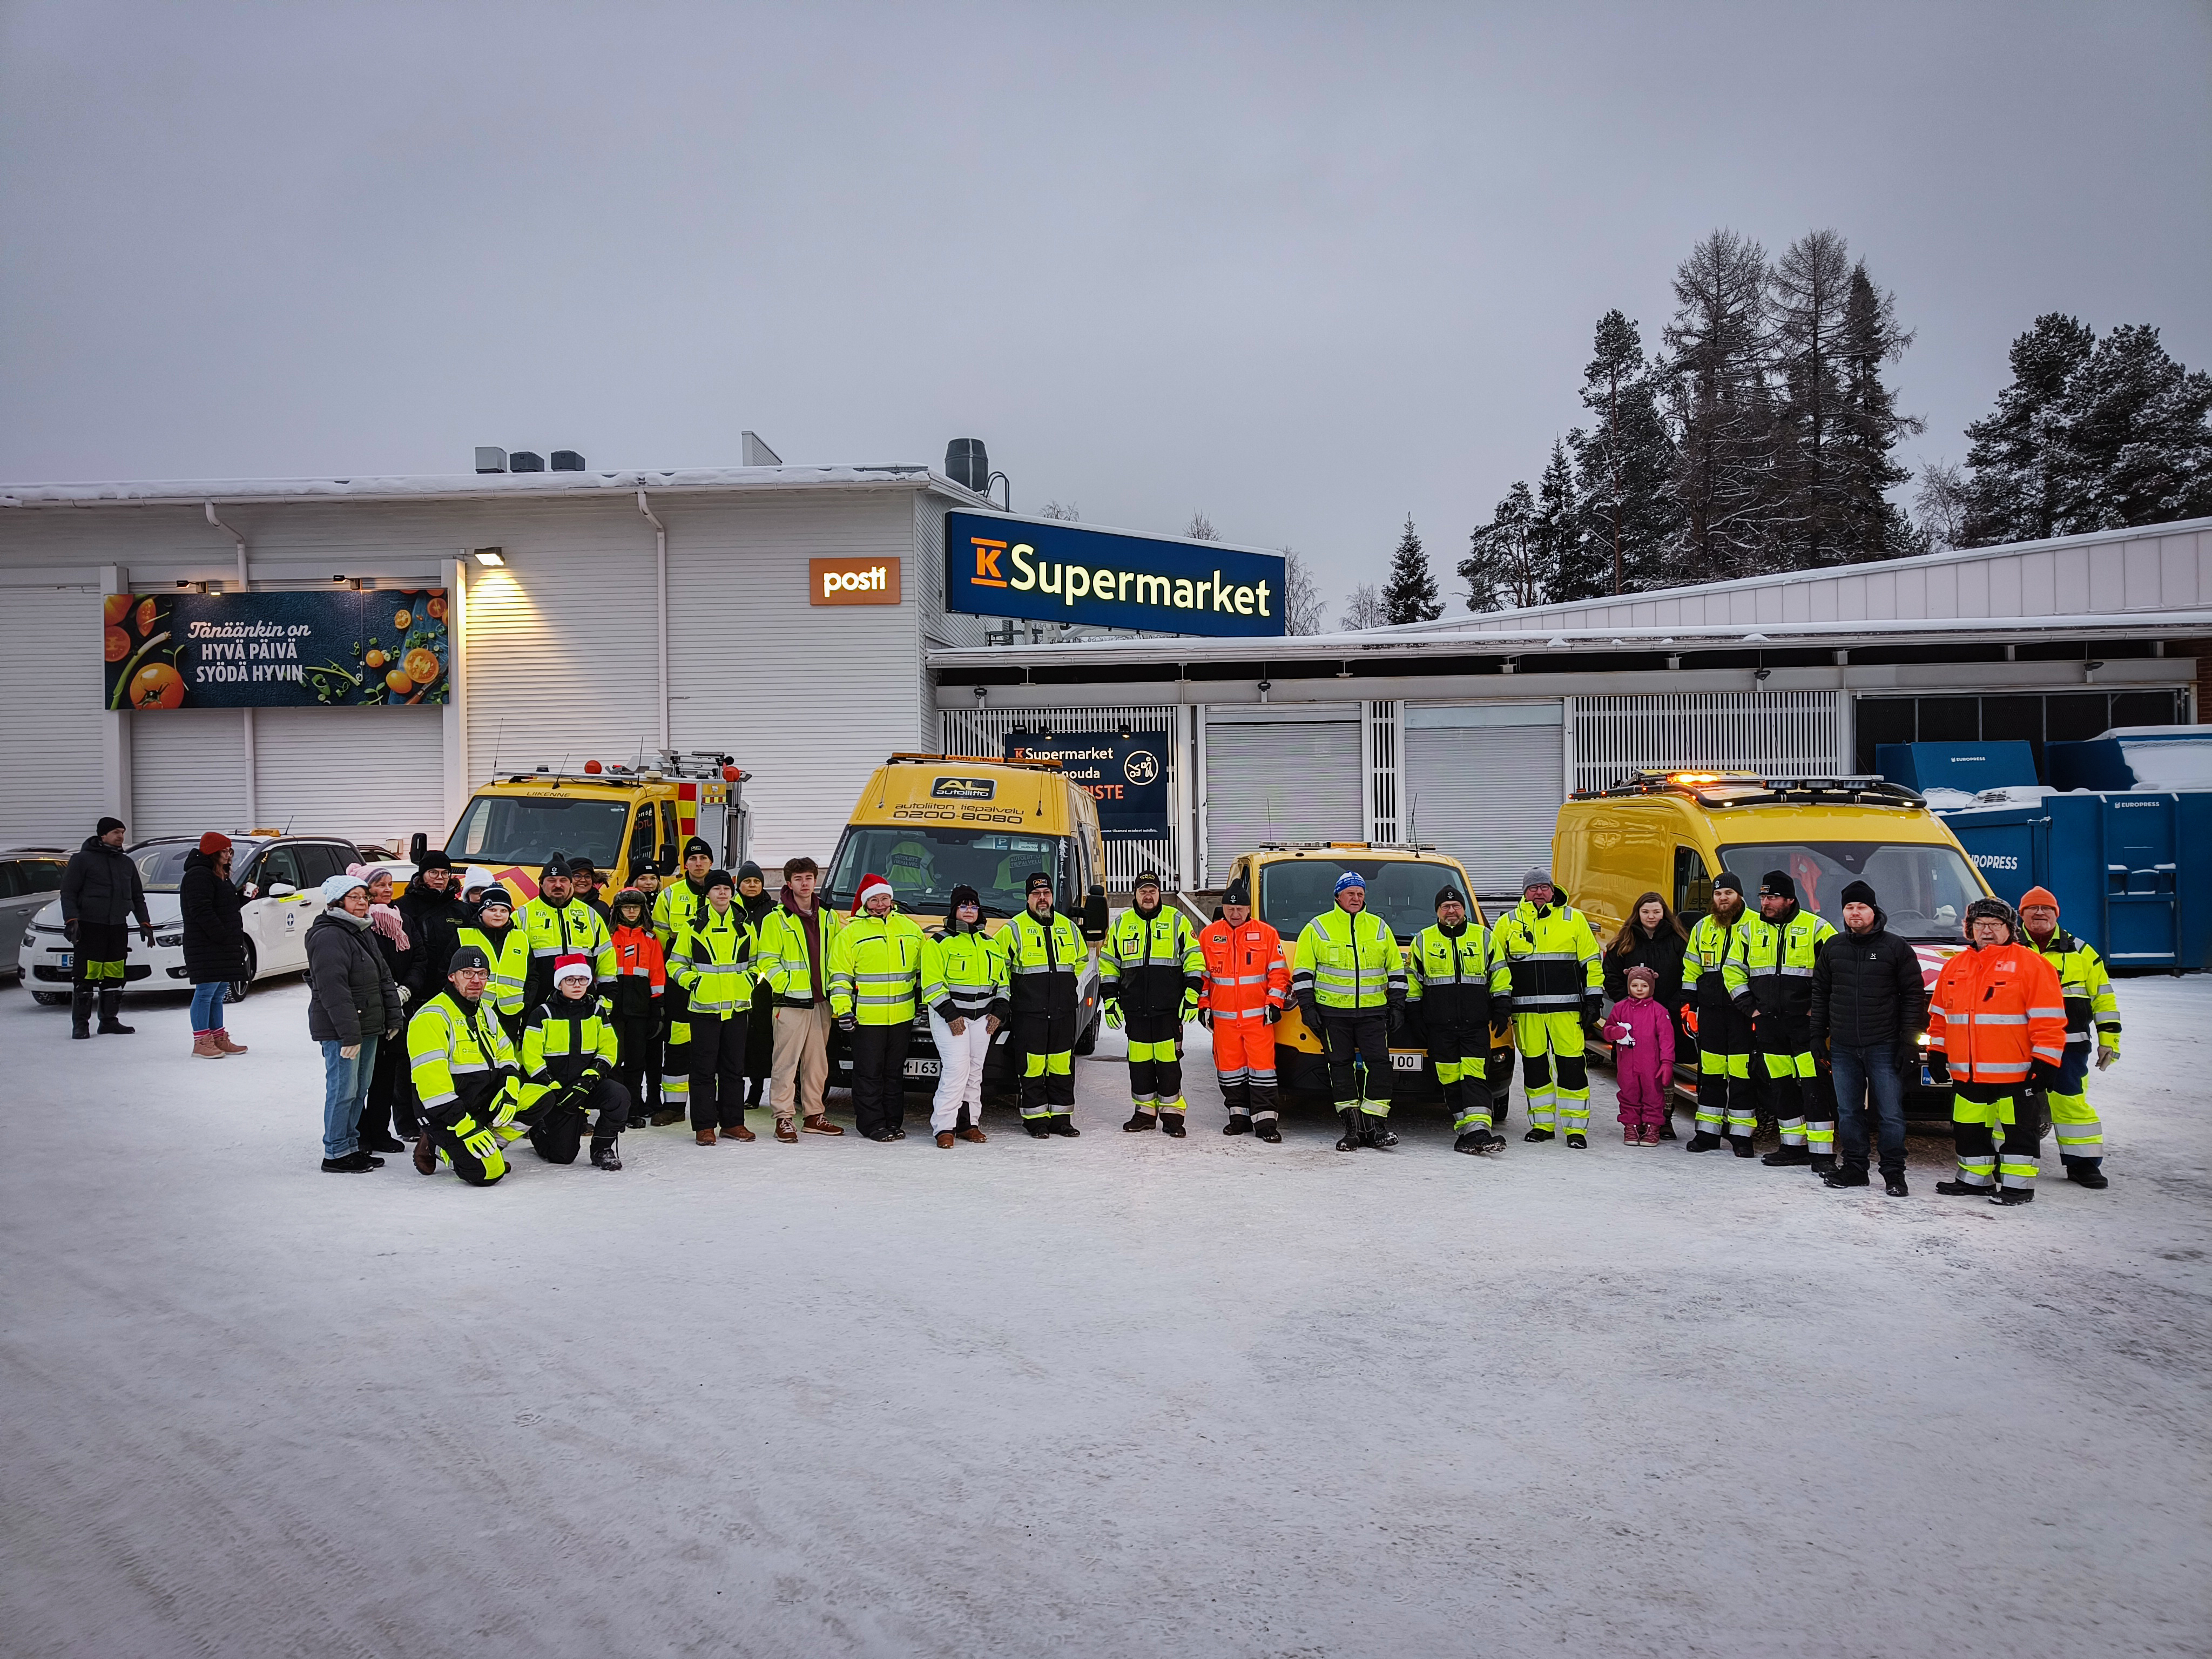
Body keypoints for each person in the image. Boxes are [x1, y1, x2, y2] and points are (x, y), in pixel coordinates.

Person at [1927, 898, 2068, 1206]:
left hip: (2016, 1072)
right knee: (1969, 1129)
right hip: (1967, 1073)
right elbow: (1940, 1017)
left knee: (2019, 1132)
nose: (1987, 931)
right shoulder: (1955, 965)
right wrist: (1938, 1052)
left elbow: (2049, 1018)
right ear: (1969, 929)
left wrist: (2046, 1060)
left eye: (1994, 925)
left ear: (2009, 929)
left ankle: (2018, 1188)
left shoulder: (2033, 964)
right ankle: (1975, 1181)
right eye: (1980, 925)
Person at [1810, 879, 1928, 1197]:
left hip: (1884, 1045)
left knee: (1891, 1113)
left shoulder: (1895, 947)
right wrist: (1818, 1036)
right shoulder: (1833, 948)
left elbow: (1913, 995)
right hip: (1844, 1047)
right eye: (1849, 907)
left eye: (1861, 907)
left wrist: (1908, 1040)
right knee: (1848, 1112)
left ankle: (1894, 1174)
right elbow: (1820, 994)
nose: (1855, 913)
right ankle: (1855, 1169)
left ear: (1874, 910)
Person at [1725, 871, 1839, 1172]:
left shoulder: (1816, 928)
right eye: (1763, 897)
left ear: (1789, 899)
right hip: (1768, 1023)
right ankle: (1793, 1147)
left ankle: (1823, 1154)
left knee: (1815, 1086)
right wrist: (1751, 1010)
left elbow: (1835, 973)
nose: (1766, 903)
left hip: (1806, 1026)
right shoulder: (1749, 930)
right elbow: (1733, 970)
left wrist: (1819, 1011)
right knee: (1781, 1087)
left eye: (1772, 897)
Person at [1292, 869, 1408, 1152]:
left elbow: (1395, 970)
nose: (1356, 898)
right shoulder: (1317, 928)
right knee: (1340, 1068)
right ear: (1338, 897)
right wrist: (1308, 1008)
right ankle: (1353, 1128)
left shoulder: (1380, 927)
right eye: (1350, 893)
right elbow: (1303, 972)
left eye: (1360, 894)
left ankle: (1375, 1126)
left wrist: (1397, 1006)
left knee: (1379, 1066)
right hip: (1333, 1015)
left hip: (1373, 1013)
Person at [1487, 868, 1602, 1149]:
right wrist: (1499, 1006)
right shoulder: (1507, 923)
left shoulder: (1573, 919)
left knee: (1572, 1068)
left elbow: (1592, 962)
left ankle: (1576, 1129)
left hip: (1567, 1012)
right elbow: (1496, 967)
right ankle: (1542, 1125)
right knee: (1535, 1069)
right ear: (1524, 892)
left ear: (1553, 890)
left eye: (1544, 887)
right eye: (1533, 888)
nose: (1539, 892)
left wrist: (1594, 1000)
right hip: (1526, 1013)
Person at [2018, 886, 2122, 1190]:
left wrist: (2110, 1041)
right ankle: (2011, 1161)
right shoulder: (2008, 947)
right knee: (2012, 1105)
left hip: (2070, 1045)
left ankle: (2083, 1166)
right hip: (2017, 1044)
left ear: (2056, 914)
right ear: (2021, 914)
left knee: (2070, 1103)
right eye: (2032, 909)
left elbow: (2104, 1000)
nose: (2039, 914)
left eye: (2046, 909)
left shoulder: (2082, 952)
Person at [306, 872, 403, 1174]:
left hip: (369, 1027)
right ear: (338, 902)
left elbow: (383, 978)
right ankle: (335, 1153)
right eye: (355, 898)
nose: (362, 903)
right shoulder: (329, 936)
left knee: (359, 1090)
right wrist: (349, 1036)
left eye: (365, 897)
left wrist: (392, 1017)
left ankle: (352, 1146)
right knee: (342, 1090)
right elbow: (333, 991)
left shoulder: (361, 931)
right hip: (343, 1031)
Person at [406, 944, 524, 1186]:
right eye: (468, 973)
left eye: (482, 975)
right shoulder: (432, 1016)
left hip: (479, 1100)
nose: (476, 980)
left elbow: (505, 1052)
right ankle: (439, 1147)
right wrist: (465, 1127)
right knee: (488, 1175)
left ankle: (490, 1147)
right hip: (445, 1113)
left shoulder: (485, 1011)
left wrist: (511, 1086)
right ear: (452, 977)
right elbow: (433, 1086)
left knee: (540, 1097)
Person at [1101, 870, 1204, 1137]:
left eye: (1153, 891)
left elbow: (1194, 959)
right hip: (1135, 1011)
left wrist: (1192, 995)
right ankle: (1144, 1113)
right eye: (1143, 891)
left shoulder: (1177, 920)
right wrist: (1110, 999)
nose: (1148, 895)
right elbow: (1109, 964)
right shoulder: (1122, 923)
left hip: (1168, 1010)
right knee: (1140, 1064)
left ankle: (1172, 1117)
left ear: (1160, 893)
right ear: (1135, 894)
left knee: (1169, 1065)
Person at [751, 857, 846, 1139]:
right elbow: (766, 961)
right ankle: (783, 1117)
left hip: (822, 1001)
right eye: (799, 879)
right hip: (790, 1002)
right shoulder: (775, 919)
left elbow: (836, 958)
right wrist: (788, 985)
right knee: (785, 1062)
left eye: (809, 879)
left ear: (815, 881)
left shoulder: (829, 917)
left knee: (818, 1063)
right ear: (789, 883)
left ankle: (814, 1115)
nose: (805, 884)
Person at [828, 872, 928, 1142]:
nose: (881, 904)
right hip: (866, 1019)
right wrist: (843, 1010)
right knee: (869, 1074)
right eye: (875, 899)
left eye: (885, 898)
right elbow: (839, 976)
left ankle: (893, 1122)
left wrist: (925, 1004)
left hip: (902, 1017)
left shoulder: (910, 929)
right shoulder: (850, 933)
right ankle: (872, 1124)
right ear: (865, 903)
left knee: (894, 1074)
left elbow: (924, 971)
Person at [1407, 883, 1504, 1155]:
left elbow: (1499, 974)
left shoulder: (1484, 936)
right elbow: (1413, 982)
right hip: (1440, 1026)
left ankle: (1481, 1131)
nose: (1452, 911)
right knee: (1449, 1078)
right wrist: (1414, 1015)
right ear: (1437, 912)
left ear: (1464, 909)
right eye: (1445, 907)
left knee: (1475, 1076)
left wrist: (1502, 1006)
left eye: (1456, 906)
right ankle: (1467, 1132)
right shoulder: (1423, 940)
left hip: (1475, 1024)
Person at [1197, 878, 1290, 1142]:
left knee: (1263, 1071)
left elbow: (1279, 973)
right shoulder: (1209, 935)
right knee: (1230, 1071)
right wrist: (1204, 1007)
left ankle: (1266, 1123)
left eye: (1240, 909)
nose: (1235, 914)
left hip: (1257, 1020)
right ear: (1223, 909)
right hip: (1224, 1022)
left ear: (1249, 909)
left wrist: (1275, 1003)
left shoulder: (1267, 934)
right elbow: (1203, 977)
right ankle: (1238, 1118)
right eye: (1230, 909)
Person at [518, 953, 630, 1169]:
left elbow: (609, 1047)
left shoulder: (597, 1012)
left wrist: (590, 1079)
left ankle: (602, 1149)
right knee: (562, 1156)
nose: (577, 985)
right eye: (570, 980)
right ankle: (538, 1129)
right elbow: (530, 1056)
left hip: (587, 1085)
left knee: (619, 1095)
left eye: (582, 980)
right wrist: (552, 1086)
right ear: (559, 983)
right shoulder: (543, 1013)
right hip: (556, 1091)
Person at [670, 868, 757, 1145]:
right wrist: (693, 982)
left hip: (737, 1008)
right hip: (704, 1009)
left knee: (734, 1069)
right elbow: (676, 963)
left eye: (726, 888)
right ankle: (705, 1126)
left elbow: (758, 962)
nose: (722, 893)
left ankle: (733, 1123)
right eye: (716, 889)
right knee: (703, 1070)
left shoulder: (745, 924)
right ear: (707, 893)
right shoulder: (693, 925)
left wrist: (750, 981)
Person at [919, 885, 1007, 1147]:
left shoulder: (990, 943)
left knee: (975, 1072)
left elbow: (1003, 982)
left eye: (973, 906)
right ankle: (944, 1127)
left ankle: (969, 1124)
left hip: (983, 1019)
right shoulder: (939, 942)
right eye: (964, 906)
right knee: (956, 1069)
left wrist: (999, 1011)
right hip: (951, 1018)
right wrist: (951, 1015)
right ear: (954, 910)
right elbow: (932, 984)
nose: (969, 911)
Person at [1004, 871, 1088, 1138]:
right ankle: (1036, 1120)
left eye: (1047, 894)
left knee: (1062, 1067)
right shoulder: (1013, 929)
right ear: (1028, 898)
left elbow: (1082, 960)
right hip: (1029, 1013)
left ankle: (1062, 1119)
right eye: (1037, 894)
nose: (1043, 899)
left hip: (1062, 1011)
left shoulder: (1068, 926)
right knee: (1032, 1068)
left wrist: (1065, 990)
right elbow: (999, 970)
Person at [1681, 871, 1756, 1156]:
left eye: (1728, 893)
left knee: (1742, 1076)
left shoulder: (1757, 925)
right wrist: (1688, 1006)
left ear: (1739, 896)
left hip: (1743, 1013)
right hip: (1710, 1012)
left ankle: (1741, 1137)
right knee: (1710, 1075)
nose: (1723, 899)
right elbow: (1691, 968)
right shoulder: (1703, 927)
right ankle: (1707, 1134)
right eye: (1718, 894)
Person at [1601, 892, 1688, 1139]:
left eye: (1657, 912)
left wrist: (1674, 1005)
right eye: (1646, 912)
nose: (1651, 917)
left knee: (1662, 1072)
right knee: (1633, 1076)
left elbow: (1689, 975)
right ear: (1638, 913)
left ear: (1665, 913)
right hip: (1632, 1019)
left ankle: (1663, 1120)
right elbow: (1611, 975)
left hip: (1667, 1016)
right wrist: (1624, 1004)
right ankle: (1636, 1120)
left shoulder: (1678, 940)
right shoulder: (1625, 941)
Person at [58, 815, 153, 1038]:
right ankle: (81, 1024)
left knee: (115, 974)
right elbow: (69, 892)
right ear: (103, 835)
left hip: (117, 926)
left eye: (123, 832)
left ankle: (109, 1021)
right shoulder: (82, 860)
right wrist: (71, 920)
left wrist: (145, 922)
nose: (121, 837)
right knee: (86, 976)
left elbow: (138, 896)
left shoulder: (126, 863)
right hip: (91, 927)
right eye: (116, 833)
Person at [651, 837, 719, 1125]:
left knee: (713, 1047)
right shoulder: (670, 895)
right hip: (679, 984)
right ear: (685, 864)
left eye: (703, 858)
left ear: (711, 863)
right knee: (678, 1043)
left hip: (717, 985)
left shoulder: (725, 893)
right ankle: (675, 1108)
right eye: (693, 859)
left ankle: (714, 1107)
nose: (699, 863)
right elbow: (660, 939)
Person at [353, 864, 415, 1155]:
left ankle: (379, 1131)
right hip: (369, 1009)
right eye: (380, 885)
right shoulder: (360, 925)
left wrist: (407, 989)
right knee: (361, 1076)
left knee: (386, 1074)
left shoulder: (403, 920)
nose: (388, 890)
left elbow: (420, 957)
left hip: (397, 1006)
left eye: (390, 884)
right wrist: (387, 992)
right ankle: (359, 1132)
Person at [178, 831, 248, 1060]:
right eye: (226, 851)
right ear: (214, 852)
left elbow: (224, 906)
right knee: (205, 992)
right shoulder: (198, 875)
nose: (230, 855)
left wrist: (244, 897)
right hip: (206, 945)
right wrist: (221, 935)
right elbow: (201, 910)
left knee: (218, 993)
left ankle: (218, 1037)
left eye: (230, 851)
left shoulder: (219, 875)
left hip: (221, 944)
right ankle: (201, 1041)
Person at [518, 852, 613, 1009]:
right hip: (538, 1003)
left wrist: (607, 997)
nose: (558, 885)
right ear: (541, 884)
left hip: (583, 1001)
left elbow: (606, 958)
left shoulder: (589, 915)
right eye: (552, 880)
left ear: (570, 884)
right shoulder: (522, 915)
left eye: (563, 880)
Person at [605, 886, 666, 1127]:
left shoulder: (651, 940)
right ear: (618, 910)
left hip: (641, 1010)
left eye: (636, 907)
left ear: (643, 910)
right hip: (614, 1009)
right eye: (626, 907)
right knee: (613, 1060)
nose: (631, 911)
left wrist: (657, 1009)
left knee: (635, 1061)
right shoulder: (608, 937)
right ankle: (617, 1107)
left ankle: (633, 1106)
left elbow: (658, 975)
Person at [1603, 965, 1677, 1145]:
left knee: (1653, 1095)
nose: (1639, 990)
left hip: (1651, 1064)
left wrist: (1667, 1062)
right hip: (1627, 1063)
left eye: (1643, 986)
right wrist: (1615, 1032)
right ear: (1629, 986)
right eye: (1635, 986)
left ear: (1651, 987)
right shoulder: (1620, 1008)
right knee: (1629, 1094)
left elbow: (1667, 1039)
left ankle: (1652, 1127)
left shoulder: (1659, 1011)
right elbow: (1607, 1030)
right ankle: (1631, 1126)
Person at [452, 883, 530, 1044]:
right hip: (472, 1010)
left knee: (508, 1056)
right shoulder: (464, 935)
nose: (498, 915)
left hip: (511, 1014)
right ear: (482, 912)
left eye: (504, 910)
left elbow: (533, 976)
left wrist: (526, 1003)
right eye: (492, 910)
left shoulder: (521, 938)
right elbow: (446, 973)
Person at [397, 849, 468, 1002]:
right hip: (415, 987)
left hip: (451, 986)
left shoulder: (461, 910)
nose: (440, 878)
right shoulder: (403, 906)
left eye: (445, 873)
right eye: (433, 872)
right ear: (422, 874)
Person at [735, 861, 777, 1110]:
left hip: (765, 987)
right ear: (739, 885)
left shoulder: (774, 911)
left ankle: (757, 1091)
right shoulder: (729, 909)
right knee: (739, 1041)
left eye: (756, 882)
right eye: (747, 881)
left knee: (762, 1039)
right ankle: (734, 1091)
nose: (752, 886)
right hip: (736, 983)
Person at [569, 856, 610, 921]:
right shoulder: (557, 906)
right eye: (577, 876)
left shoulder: (602, 908)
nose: (583, 880)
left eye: (587, 876)